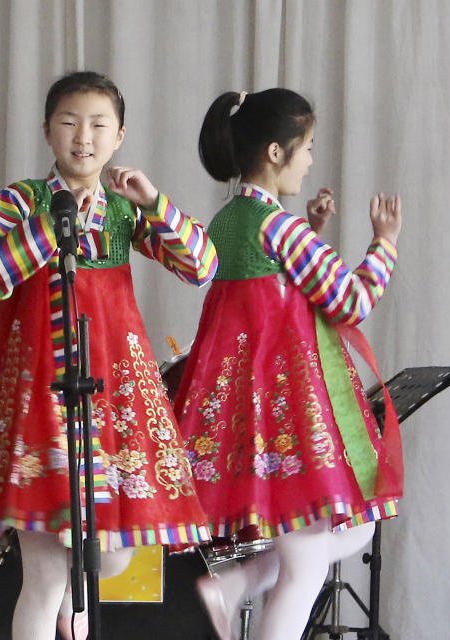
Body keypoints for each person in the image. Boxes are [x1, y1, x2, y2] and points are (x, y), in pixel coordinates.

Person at [0, 71, 219, 639]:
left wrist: (154, 201)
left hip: (111, 397)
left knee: (106, 557)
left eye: (98, 125)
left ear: (119, 136)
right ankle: (63, 614)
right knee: (44, 571)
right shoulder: (23, 199)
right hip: (39, 397)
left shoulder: (124, 209)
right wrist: (49, 227)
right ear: (47, 132)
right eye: (68, 122)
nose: (82, 136)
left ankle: (70, 610)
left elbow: (201, 266)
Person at [173, 89, 403, 640]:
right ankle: (229, 588)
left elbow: (268, 296)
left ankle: (229, 587)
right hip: (287, 418)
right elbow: (348, 301)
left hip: (249, 418)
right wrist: (385, 243)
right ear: (276, 152)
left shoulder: (229, 221)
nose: (309, 161)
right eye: (306, 149)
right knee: (307, 564)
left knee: (327, 538)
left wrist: (312, 228)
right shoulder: (279, 228)